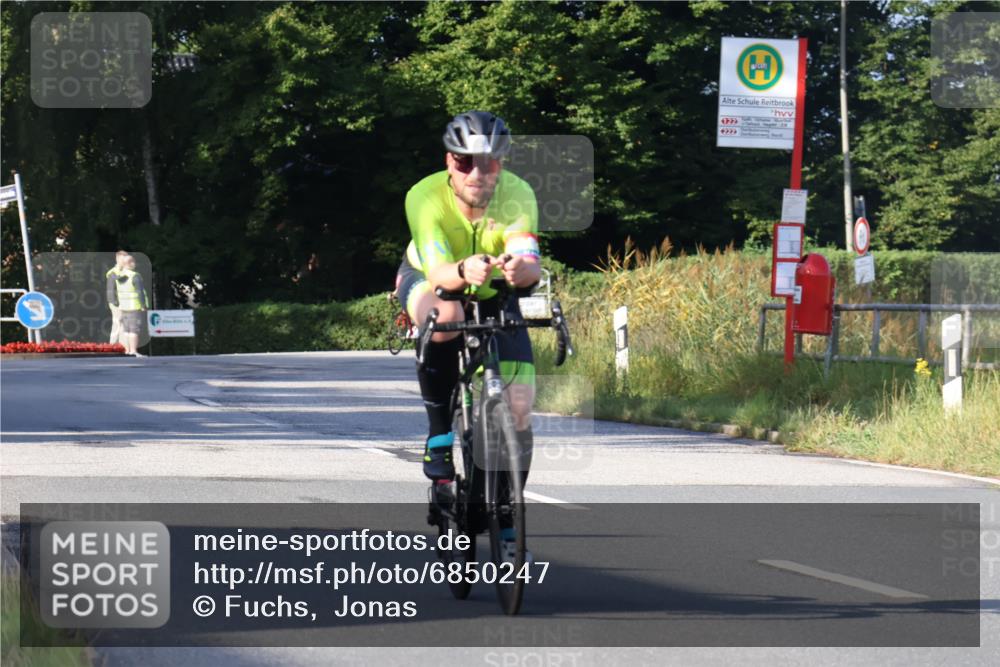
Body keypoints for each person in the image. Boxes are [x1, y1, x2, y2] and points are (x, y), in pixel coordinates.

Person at [396, 111, 541, 553]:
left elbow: (528, 255)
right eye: (465, 163)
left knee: (519, 407)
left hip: (494, 286)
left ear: (502, 163)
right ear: (449, 162)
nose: (478, 173)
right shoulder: (424, 197)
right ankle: (439, 433)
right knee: (446, 311)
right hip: (430, 277)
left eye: (491, 162)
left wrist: (522, 268)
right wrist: (463, 268)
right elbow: (440, 270)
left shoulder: (519, 193)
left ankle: (506, 508)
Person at [114, 255, 150, 357]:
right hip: (134, 307)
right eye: (133, 262)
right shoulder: (134, 276)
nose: (135, 264)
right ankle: (134, 350)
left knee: (126, 330)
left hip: (124, 307)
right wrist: (143, 305)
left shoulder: (119, 276)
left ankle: (128, 350)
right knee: (134, 330)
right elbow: (139, 291)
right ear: (129, 263)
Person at [105, 250, 129, 346]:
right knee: (118, 324)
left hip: (123, 303)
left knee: (122, 325)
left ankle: (121, 346)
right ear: (119, 259)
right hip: (117, 303)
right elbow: (111, 289)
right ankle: (113, 346)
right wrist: (115, 302)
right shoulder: (113, 272)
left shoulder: (123, 271)